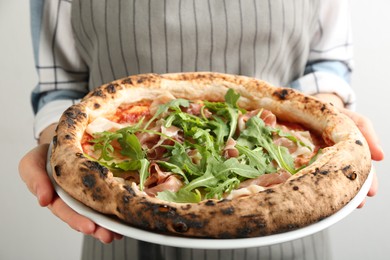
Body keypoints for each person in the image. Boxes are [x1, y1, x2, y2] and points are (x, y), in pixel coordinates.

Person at [20, 0, 384, 259]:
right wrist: (55, 143)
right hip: (121, 239)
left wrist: (327, 115)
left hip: (285, 235)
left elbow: (326, 62)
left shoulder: (315, 147)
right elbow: (61, 89)